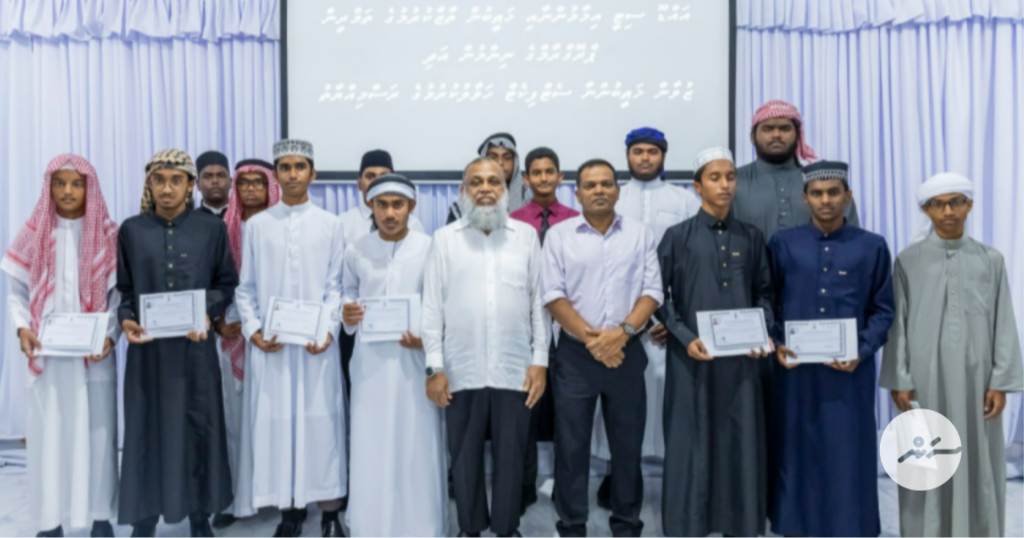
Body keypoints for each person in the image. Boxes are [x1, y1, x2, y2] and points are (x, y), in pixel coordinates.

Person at [880, 173, 1024, 538]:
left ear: (969, 205)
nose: (948, 211)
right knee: (924, 460)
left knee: (980, 460)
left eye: (956, 202)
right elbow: (898, 325)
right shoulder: (908, 261)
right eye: (938, 204)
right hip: (925, 381)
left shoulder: (991, 260)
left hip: (979, 384)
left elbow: (1004, 323)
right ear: (925, 209)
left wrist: (1000, 382)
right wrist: (900, 379)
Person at [767, 161, 895, 538]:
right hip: (795, 374)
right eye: (817, 193)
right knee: (796, 449)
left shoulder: (871, 245)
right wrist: (777, 344)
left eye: (833, 193)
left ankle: (850, 527)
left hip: (850, 373)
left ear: (847, 196)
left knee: (847, 452)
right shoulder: (783, 243)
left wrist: (862, 349)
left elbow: (883, 309)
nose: (826, 200)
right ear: (805, 198)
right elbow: (769, 302)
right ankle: (796, 527)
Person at [422, 156, 548, 538]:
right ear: (464, 191)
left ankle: (507, 528)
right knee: (464, 455)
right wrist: (434, 367)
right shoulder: (445, 239)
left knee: (513, 455)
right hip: (460, 368)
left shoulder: (526, 237)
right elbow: (431, 309)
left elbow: (539, 305)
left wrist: (540, 361)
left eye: (494, 181)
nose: (486, 189)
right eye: (476, 182)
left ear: (506, 189)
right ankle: (470, 527)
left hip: (515, 367)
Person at [117, 149, 238, 538]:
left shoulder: (211, 229)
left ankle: (200, 516)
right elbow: (126, 290)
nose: (166, 189)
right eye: (159, 180)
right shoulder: (132, 230)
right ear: (149, 185)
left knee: (198, 429)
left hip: (195, 351)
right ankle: (144, 520)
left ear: (190, 186)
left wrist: (206, 313)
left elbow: (226, 282)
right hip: (148, 354)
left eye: (175, 181)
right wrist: (126, 319)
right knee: (146, 431)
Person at [541, 158, 662, 538]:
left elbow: (652, 291)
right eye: (590, 185)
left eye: (606, 184)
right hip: (576, 357)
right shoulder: (559, 236)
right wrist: (595, 341)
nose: (599, 190)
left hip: (627, 352)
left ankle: (626, 525)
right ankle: (571, 526)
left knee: (627, 448)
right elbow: (553, 295)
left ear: (617, 191)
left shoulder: (640, 234)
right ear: (577, 194)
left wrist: (621, 334)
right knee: (571, 447)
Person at [657, 147, 773, 538]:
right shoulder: (677, 237)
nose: (725, 185)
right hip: (691, 361)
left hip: (743, 363)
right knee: (690, 442)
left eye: (730, 177)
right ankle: (687, 526)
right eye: (715, 177)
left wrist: (762, 333)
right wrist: (685, 337)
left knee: (740, 440)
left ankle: (739, 525)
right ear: (697, 186)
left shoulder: (751, 237)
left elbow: (764, 293)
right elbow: (657, 297)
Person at [2, 154, 120, 538]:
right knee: (49, 437)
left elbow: (119, 296)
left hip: (94, 357)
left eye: (77, 184)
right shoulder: (33, 231)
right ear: (49, 187)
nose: (68, 191)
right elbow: (16, 291)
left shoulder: (109, 235)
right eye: (60, 183)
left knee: (99, 435)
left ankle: (100, 517)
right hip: (48, 357)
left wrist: (109, 335)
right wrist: (22, 328)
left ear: (90, 188)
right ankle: (50, 521)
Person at [234, 139, 347, 538]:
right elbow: (246, 287)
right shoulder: (258, 226)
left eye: (300, 167)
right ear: (276, 175)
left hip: (317, 348)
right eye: (285, 167)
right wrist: (254, 331)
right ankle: (289, 513)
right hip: (275, 348)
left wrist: (328, 330)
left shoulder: (331, 225)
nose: (293, 174)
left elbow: (335, 287)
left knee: (322, 425)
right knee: (278, 426)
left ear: (312, 174)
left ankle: (330, 514)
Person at [594, 127, 700, 507]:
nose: (644, 158)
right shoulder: (613, 197)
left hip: (670, 319)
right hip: (622, 320)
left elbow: (691, 263)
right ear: (627, 156)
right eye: (637, 151)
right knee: (620, 405)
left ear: (662, 156)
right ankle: (619, 477)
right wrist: (633, 322)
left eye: (651, 151)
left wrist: (672, 321)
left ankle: (678, 480)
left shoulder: (684, 200)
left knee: (667, 402)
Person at [341, 174, 447, 538]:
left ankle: (421, 527)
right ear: (370, 206)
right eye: (381, 205)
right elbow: (347, 292)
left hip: (414, 363)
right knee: (371, 442)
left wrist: (427, 340)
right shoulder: (356, 250)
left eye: (397, 205)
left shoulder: (430, 247)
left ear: (411, 207)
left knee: (416, 441)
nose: (389, 213)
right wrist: (347, 311)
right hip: (369, 364)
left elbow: (439, 303)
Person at [210, 158, 281, 528]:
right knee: (233, 419)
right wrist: (218, 321)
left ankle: (275, 494)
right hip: (231, 333)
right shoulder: (220, 228)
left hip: (276, 336)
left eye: (259, 182)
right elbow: (211, 279)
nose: (251, 189)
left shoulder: (282, 227)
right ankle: (234, 498)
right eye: (244, 183)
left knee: (271, 416)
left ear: (271, 186)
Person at [508, 146, 579, 510]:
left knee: (569, 414)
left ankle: (567, 490)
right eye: (536, 172)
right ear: (525, 178)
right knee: (526, 411)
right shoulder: (513, 221)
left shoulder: (576, 220)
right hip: (524, 327)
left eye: (550, 171)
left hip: (568, 327)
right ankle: (522, 487)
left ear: (560, 176)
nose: (543, 178)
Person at [733, 100, 859, 240]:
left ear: (798, 136)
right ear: (752, 137)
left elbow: (852, 238)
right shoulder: (732, 181)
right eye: (767, 129)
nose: (776, 135)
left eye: (785, 129)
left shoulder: (821, 181)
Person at [446, 133, 530, 223]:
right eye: (493, 157)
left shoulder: (529, 202)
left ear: (515, 163)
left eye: (507, 157)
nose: (500, 162)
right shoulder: (462, 208)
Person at [195, 150, 232, 218]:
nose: (215, 181)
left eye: (221, 176)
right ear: (198, 184)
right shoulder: (190, 220)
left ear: (231, 182)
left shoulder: (244, 217)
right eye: (207, 176)